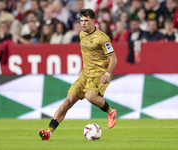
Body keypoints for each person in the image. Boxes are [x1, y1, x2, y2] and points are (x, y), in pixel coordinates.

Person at [38, 8, 118, 141]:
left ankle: (111, 111)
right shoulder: (81, 35)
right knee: (67, 102)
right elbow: (89, 55)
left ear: (93, 21)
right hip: (84, 76)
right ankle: (49, 133)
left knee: (90, 96)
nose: (83, 23)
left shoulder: (102, 38)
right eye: (81, 21)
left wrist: (107, 73)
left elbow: (114, 59)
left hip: (99, 75)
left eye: (86, 21)